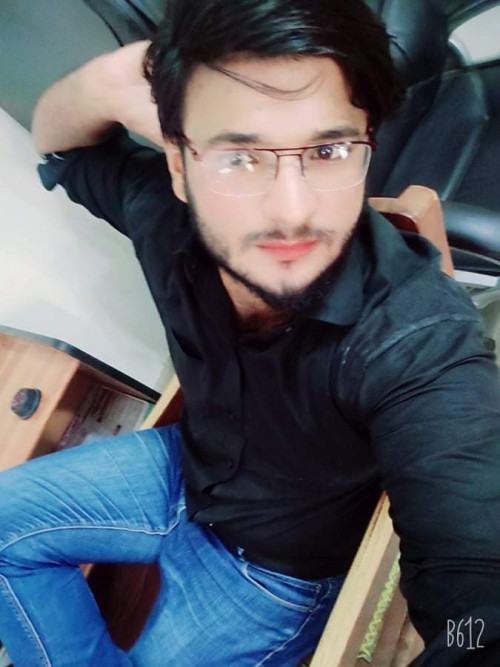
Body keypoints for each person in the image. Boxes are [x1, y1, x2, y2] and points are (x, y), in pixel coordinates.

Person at [1, 0, 500, 664]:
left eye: (328, 150)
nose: (293, 210)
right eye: (240, 155)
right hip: (186, 470)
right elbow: (59, 145)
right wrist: (111, 79)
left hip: (273, 575)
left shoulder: (416, 337)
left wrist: (471, 639)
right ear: (179, 167)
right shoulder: (165, 217)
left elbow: (478, 602)